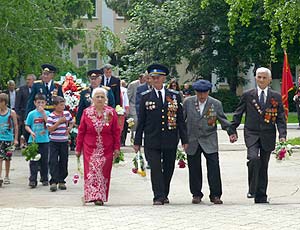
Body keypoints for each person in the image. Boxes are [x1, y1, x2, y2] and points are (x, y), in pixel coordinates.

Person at [134, 64, 188, 205]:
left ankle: (165, 193)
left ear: (164, 78)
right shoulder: (145, 97)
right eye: (153, 78)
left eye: (158, 78)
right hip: (152, 138)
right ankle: (158, 196)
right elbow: (141, 121)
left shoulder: (174, 96)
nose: (156, 80)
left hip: (170, 138)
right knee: (156, 167)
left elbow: (180, 120)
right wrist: (137, 141)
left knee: (169, 167)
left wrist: (184, 139)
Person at [231, 67, 287, 204]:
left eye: (264, 78)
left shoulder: (276, 96)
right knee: (254, 159)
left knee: (264, 165)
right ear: (255, 78)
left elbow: (280, 118)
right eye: (259, 77)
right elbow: (238, 114)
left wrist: (282, 135)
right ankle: (252, 189)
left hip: (268, 134)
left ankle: (261, 195)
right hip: (252, 133)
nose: (261, 80)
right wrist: (232, 130)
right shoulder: (248, 95)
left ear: (269, 79)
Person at [183, 79, 237, 205]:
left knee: (213, 168)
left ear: (208, 92)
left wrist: (231, 132)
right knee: (194, 168)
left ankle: (216, 195)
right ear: (195, 92)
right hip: (193, 140)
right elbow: (182, 120)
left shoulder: (215, 104)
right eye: (199, 93)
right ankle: (196, 194)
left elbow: (223, 120)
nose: (202, 96)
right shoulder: (188, 102)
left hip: (209, 139)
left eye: (204, 93)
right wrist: (181, 138)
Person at [75, 87, 120, 206]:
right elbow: (81, 131)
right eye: (97, 97)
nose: (100, 99)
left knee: (103, 171)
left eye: (102, 97)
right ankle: (92, 195)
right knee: (92, 171)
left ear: (106, 99)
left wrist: (117, 148)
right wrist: (78, 148)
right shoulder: (86, 112)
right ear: (92, 99)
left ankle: (100, 197)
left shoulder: (111, 112)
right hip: (90, 147)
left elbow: (116, 131)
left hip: (107, 147)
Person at [46, 96, 74, 192]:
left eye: (63, 105)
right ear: (55, 106)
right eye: (61, 105)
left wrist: (69, 128)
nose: (63, 107)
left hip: (64, 141)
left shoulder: (66, 114)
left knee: (64, 160)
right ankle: (53, 181)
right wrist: (58, 122)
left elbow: (72, 121)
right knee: (53, 161)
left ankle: (62, 180)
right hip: (54, 141)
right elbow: (49, 129)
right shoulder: (51, 116)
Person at [25, 94, 50, 188]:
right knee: (34, 160)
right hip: (33, 141)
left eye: (42, 102)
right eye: (38, 102)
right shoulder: (31, 114)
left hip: (45, 140)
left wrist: (43, 113)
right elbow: (27, 125)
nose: (40, 104)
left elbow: (49, 124)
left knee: (44, 160)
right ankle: (32, 179)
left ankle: (44, 178)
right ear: (35, 103)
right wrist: (31, 132)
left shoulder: (47, 113)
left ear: (45, 103)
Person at [0, 93, 18, 186]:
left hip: (8, 138)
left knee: (7, 158)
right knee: (0, 158)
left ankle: (7, 175)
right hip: (0, 138)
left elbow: (15, 126)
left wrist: (15, 139)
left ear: (4, 102)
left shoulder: (11, 113)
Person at [15, 74, 36, 148]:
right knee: (24, 129)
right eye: (27, 79)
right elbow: (17, 102)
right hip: (24, 113)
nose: (27, 81)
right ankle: (27, 143)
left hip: (34, 112)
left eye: (29, 80)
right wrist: (17, 113)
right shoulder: (22, 89)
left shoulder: (36, 88)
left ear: (34, 80)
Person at [120, 80, 129, 146]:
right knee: (122, 127)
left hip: (121, 110)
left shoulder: (124, 90)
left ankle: (122, 141)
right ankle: (122, 141)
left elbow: (126, 100)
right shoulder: (124, 90)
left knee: (122, 126)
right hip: (121, 110)